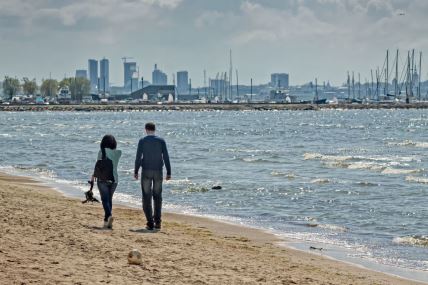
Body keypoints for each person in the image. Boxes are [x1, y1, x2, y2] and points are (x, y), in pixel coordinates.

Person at [134, 122, 171, 230]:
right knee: (157, 196)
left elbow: (138, 157)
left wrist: (136, 171)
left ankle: (150, 222)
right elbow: (166, 157)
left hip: (146, 171)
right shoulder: (161, 141)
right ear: (155, 129)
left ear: (146, 129)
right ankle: (158, 222)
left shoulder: (142, 141)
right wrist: (169, 172)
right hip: (158, 171)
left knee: (146, 197)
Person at [91, 135, 122, 229]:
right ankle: (106, 222)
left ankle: (109, 216)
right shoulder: (118, 153)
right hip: (114, 180)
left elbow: (98, 165)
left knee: (105, 200)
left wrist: (93, 176)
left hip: (103, 179)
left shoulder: (102, 151)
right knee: (109, 200)